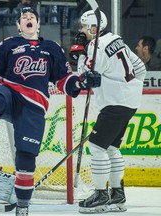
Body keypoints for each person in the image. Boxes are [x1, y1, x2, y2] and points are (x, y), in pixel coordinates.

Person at [0, 7, 101, 216]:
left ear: (38, 24)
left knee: (26, 158)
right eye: (24, 17)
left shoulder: (52, 48)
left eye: (32, 17)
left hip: (34, 106)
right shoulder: (8, 45)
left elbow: (64, 80)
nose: (28, 19)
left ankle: (23, 206)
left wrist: (82, 82)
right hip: (9, 94)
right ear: (19, 25)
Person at [69, 10, 146, 213]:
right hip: (128, 101)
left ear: (94, 29)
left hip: (115, 102)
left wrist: (81, 53)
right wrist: (132, 87)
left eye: (84, 27)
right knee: (111, 148)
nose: (81, 31)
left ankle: (101, 195)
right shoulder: (116, 39)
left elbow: (84, 76)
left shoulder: (96, 46)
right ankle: (118, 195)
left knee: (96, 146)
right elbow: (139, 68)